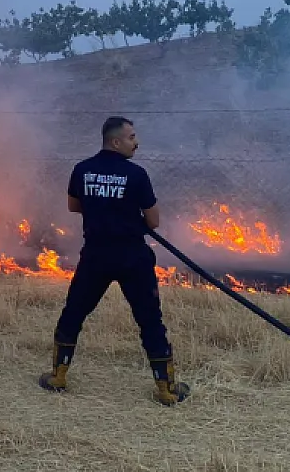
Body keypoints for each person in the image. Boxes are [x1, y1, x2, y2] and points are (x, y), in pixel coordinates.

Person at [38, 116, 190, 406]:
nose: (137, 142)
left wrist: (102, 210)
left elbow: (74, 205)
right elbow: (154, 221)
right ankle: (167, 390)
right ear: (115, 141)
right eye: (132, 137)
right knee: (150, 322)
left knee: (74, 313)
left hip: (95, 255)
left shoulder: (82, 170)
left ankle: (58, 376)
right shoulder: (136, 174)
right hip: (132, 257)